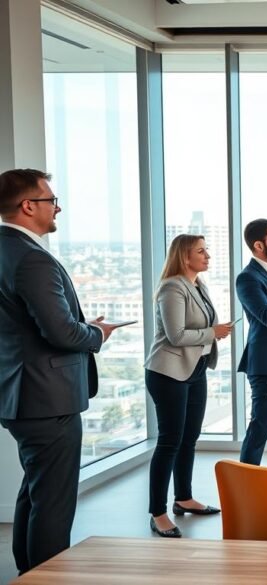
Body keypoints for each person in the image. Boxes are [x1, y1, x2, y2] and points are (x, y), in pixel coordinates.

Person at [0, 169, 119, 573]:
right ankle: (45, 578)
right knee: (52, 501)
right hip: (46, 397)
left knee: (35, 492)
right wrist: (98, 332)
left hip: (21, 394)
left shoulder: (5, 250)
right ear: (28, 206)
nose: (58, 207)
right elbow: (62, 332)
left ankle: (28, 574)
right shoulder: (31, 258)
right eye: (52, 200)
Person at [145, 234, 233, 537]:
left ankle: (183, 498)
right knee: (170, 441)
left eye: (207, 249)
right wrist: (213, 333)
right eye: (201, 251)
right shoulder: (172, 288)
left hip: (195, 369)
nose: (208, 255)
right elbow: (175, 335)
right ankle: (157, 513)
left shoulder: (198, 285)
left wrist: (212, 334)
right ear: (185, 257)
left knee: (189, 438)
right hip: (168, 372)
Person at [237, 219, 267, 467]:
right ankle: (244, 485)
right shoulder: (247, 278)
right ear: (259, 245)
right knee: (261, 427)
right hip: (266, 363)